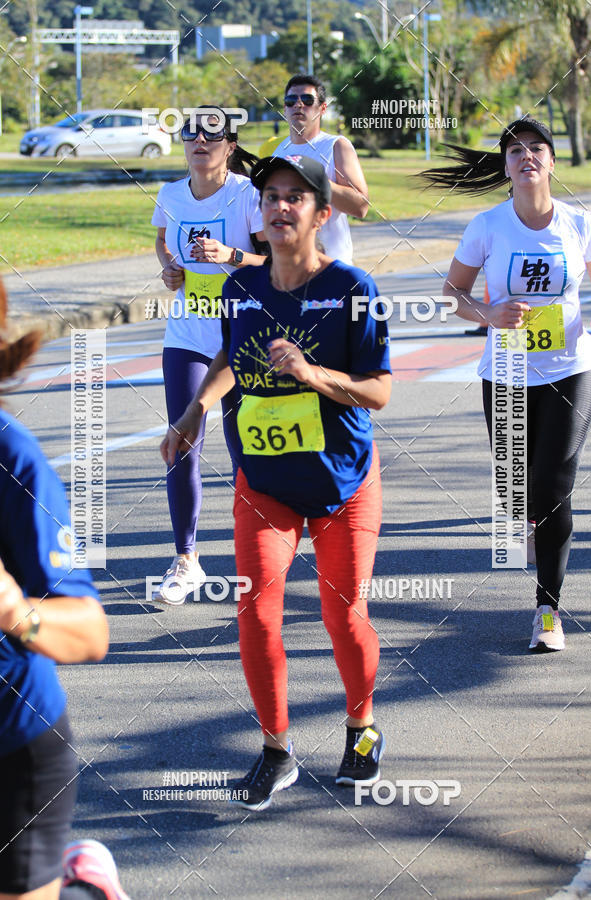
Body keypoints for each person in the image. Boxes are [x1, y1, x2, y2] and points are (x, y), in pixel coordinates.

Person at [161, 155, 392, 809]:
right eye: (271, 195)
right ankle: (277, 750)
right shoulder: (242, 289)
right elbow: (232, 355)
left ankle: (362, 727)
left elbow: (378, 391)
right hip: (262, 483)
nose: (281, 206)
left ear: (322, 214)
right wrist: (191, 413)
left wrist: (314, 375)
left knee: (343, 617)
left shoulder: (352, 288)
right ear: (258, 214)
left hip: (343, 483)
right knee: (256, 614)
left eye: (296, 197)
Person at [422, 116, 591, 651]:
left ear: (551, 161)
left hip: (572, 368)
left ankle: (548, 609)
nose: (526, 157)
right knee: (517, 484)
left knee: (553, 484)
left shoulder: (579, 223)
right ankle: (526, 519)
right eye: (515, 151)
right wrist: (489, 312)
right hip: (505, 371)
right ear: (505, 166)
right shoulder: (488, 226)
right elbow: (453, 292)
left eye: (536, 149)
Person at [0, 277, 129, 899]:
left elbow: (90, 630)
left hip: (13, 751)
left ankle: (84, 888)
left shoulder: (11, 458)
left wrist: (15, 612)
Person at [151, 107, 266, 605]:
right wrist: (169, 270)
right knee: (182, 442)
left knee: (246, 452)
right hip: (187, 333)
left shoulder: (247, 195)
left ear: (231, 146)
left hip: (239, 336)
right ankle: (186, 559)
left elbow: (275, 260)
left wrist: (233, 257)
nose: (199, 141)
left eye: (211, 135)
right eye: (190, 134)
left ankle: (258, 560)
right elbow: (161, 241)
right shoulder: (171, 194)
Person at [271, 74, 369, 263]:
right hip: (290, 268)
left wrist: (316, 180)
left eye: (307, 100)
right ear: (284, 108)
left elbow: (361, 207)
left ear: (322, 108)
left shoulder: (336, 146)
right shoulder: (278, 152)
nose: (298, 105)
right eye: (291, 101)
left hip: (331, 266)